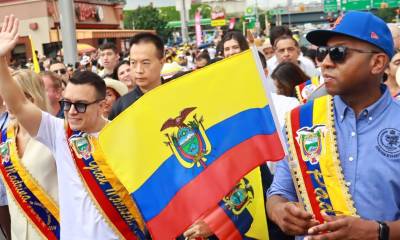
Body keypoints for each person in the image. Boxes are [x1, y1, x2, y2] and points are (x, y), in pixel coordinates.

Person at [0, 15, 145, 239]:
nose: (71, 111)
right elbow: (18, 105)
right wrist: (1, 61)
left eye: (80, 105)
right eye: (67, 103)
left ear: (102, 104)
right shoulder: (59, 133)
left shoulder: (124, 136)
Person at [267, 11, 400, 240]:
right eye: (323, 52)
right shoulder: (302, 120)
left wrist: (377, 231)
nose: (326, 62)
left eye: (339, 53)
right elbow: (278, 193)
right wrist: (280, 211)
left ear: (377, 63)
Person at [0, 69, 59, 240]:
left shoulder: (55, 133)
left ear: (31, 97)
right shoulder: (4, 139)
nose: (6, 103)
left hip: (54, 231)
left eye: (12, 96)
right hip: (19, 232)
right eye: (5, 96)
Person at [109, 32, 165, 120]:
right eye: (133, 63)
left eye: (145, 63)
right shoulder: (121, 107)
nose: (139, 70)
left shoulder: (178, 95)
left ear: (162, 62)